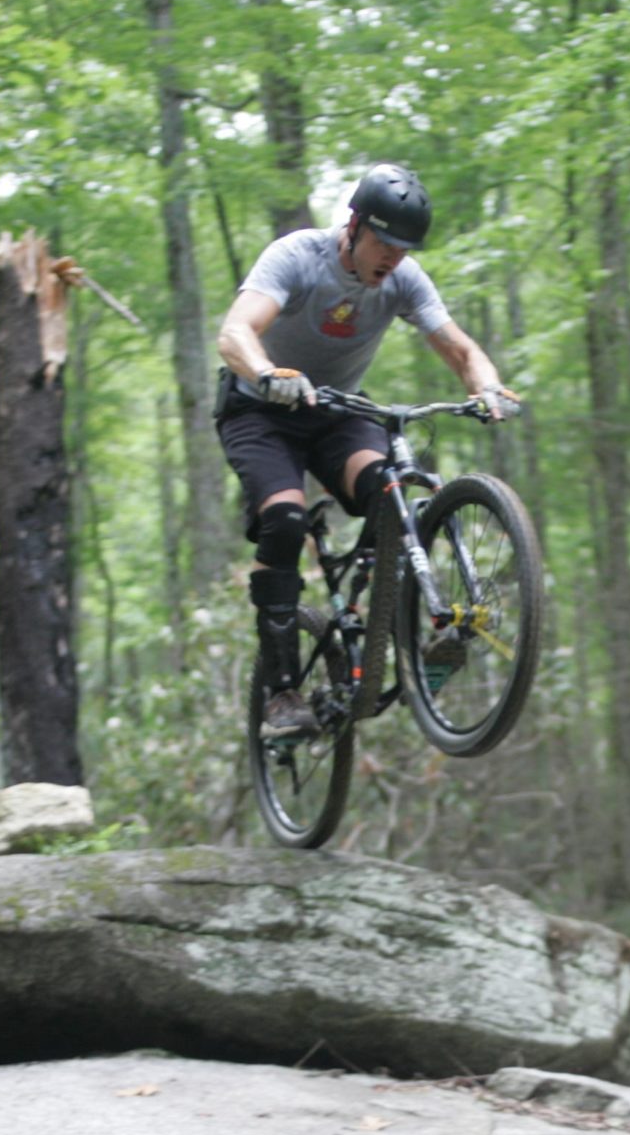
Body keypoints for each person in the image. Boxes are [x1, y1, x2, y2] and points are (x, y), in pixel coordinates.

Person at [215, 162, 519, 736]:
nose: (392, 259)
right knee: (283, 520)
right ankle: (282, 694)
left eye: (403, 250)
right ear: (353, 224)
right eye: (383, 243)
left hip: (336, 410)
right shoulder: (298, 257)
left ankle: (408, 636)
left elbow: (458, 348)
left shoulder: (404, 278)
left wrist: (486, 386)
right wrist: (266, 372)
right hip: (260, 411)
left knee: (390, 490)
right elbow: (235, 333)